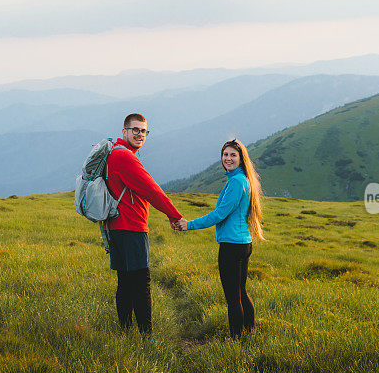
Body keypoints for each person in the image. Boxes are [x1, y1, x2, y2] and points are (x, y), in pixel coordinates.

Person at [173, 139, 264, 338]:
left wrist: (189, 224)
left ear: (241, 159)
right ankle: (249, 333)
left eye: (233, 155)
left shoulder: (237, 182)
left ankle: (236, 340)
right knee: (240, 291)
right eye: (225, 155)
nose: (228, 158)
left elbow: (219, 214)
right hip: (242, 243)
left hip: (232, 246)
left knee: (233, 297)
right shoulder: (241, 179)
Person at [105, 113, 185, 334]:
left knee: (125, 282)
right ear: (124, 132)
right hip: (131, 228)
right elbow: (152, 190)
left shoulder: (114, 152)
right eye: (135, 130)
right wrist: (174, 215)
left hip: (115, 227)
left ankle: (125, 331)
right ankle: (146, 336)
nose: (140, 134)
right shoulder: (126, 158)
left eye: (143, 131)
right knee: (141, 284)